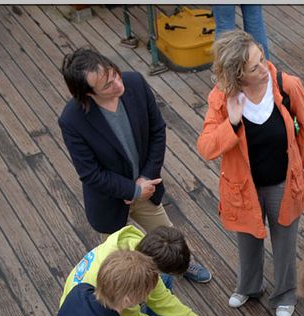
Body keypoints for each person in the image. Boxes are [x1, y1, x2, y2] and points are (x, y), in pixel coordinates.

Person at [58, 47, 211, 283]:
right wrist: (132, 190)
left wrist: (145, 179)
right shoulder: (72, 121)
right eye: (107, 85)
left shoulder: (135, 83)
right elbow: (90, 174)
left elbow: (157, 131)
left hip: (146, 187)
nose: (118, 85)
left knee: (168, 235)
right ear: (88, 94)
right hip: (111, 201)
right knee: (121, 264)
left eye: (115, 74)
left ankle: (184, 264)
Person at [196, 30, 304, 316]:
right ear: (237, 75)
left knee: (285, 242)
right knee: (247, 239)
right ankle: (249, 287)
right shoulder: (221, 98)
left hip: (282, 183)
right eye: (254, 67)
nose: (265, 69)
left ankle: (286, 293)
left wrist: (295, 165)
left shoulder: (288, 86)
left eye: (262, 59)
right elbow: (206, 147)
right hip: (242, 186)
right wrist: (232, 122)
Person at [60, 225, 203, 316]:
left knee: (167, 287)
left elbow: (160, 298)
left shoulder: (140, 247)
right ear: (151, 268)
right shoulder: (121, 283)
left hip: (106, 304)